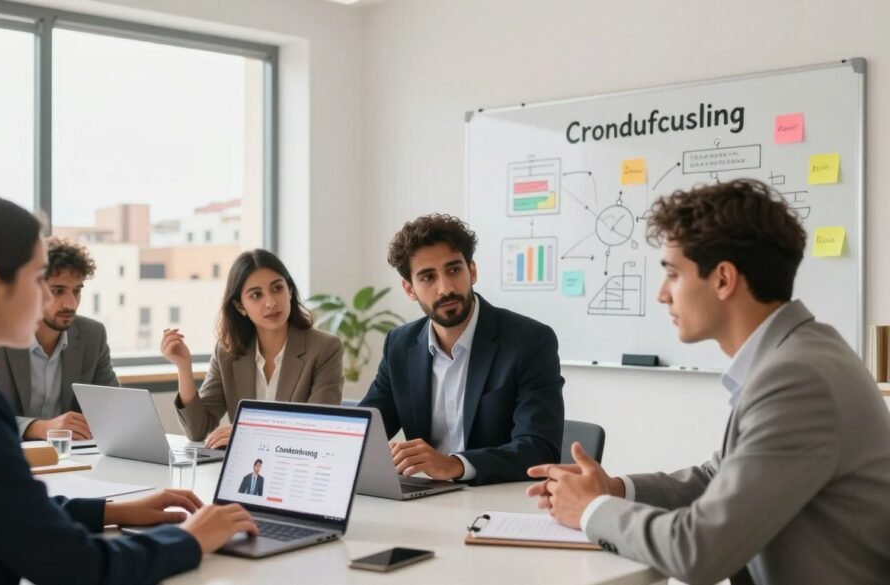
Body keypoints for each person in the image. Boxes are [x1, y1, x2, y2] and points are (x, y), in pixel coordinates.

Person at [0, 192, 257, 584]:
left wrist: (112, 511)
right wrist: (189, 538)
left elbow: (5, 506)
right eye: (40, 278)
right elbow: (77, 566)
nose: (49, 299)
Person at [527, 180, 890, 585]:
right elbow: (716, 477)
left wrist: (591, 509)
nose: (662, 294)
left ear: (723, 279)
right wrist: (614, 488)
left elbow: (697, 551)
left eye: (673, 274)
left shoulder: (799, 380)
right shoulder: (799, 354)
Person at [359, 214, 564, 485]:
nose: (445, 289)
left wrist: (455, 465)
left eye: (454, 270)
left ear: (472, 271)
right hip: (429, 497)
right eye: (428, 277)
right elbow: (363, 430)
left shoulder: (529, 341)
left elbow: (539, 449)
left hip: (498, 497)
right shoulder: (399, 344)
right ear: (409, 289)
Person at [164, 249, 343, 448]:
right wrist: (183, 367)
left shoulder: (325, 348)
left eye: (277, 288)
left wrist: (247, 431)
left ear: (290, 291)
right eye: (256, 295)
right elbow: (197, 430)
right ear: (240, 306)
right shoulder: (227, 352)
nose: (271, 302)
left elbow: (319, 429)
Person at [0, 237, 117, 440]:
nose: (70, 304)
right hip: (8, 450)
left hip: (72, 455)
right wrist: (39, 428)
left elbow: (113, 408)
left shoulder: (93, 335)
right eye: (57, 291)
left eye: (77, 291)